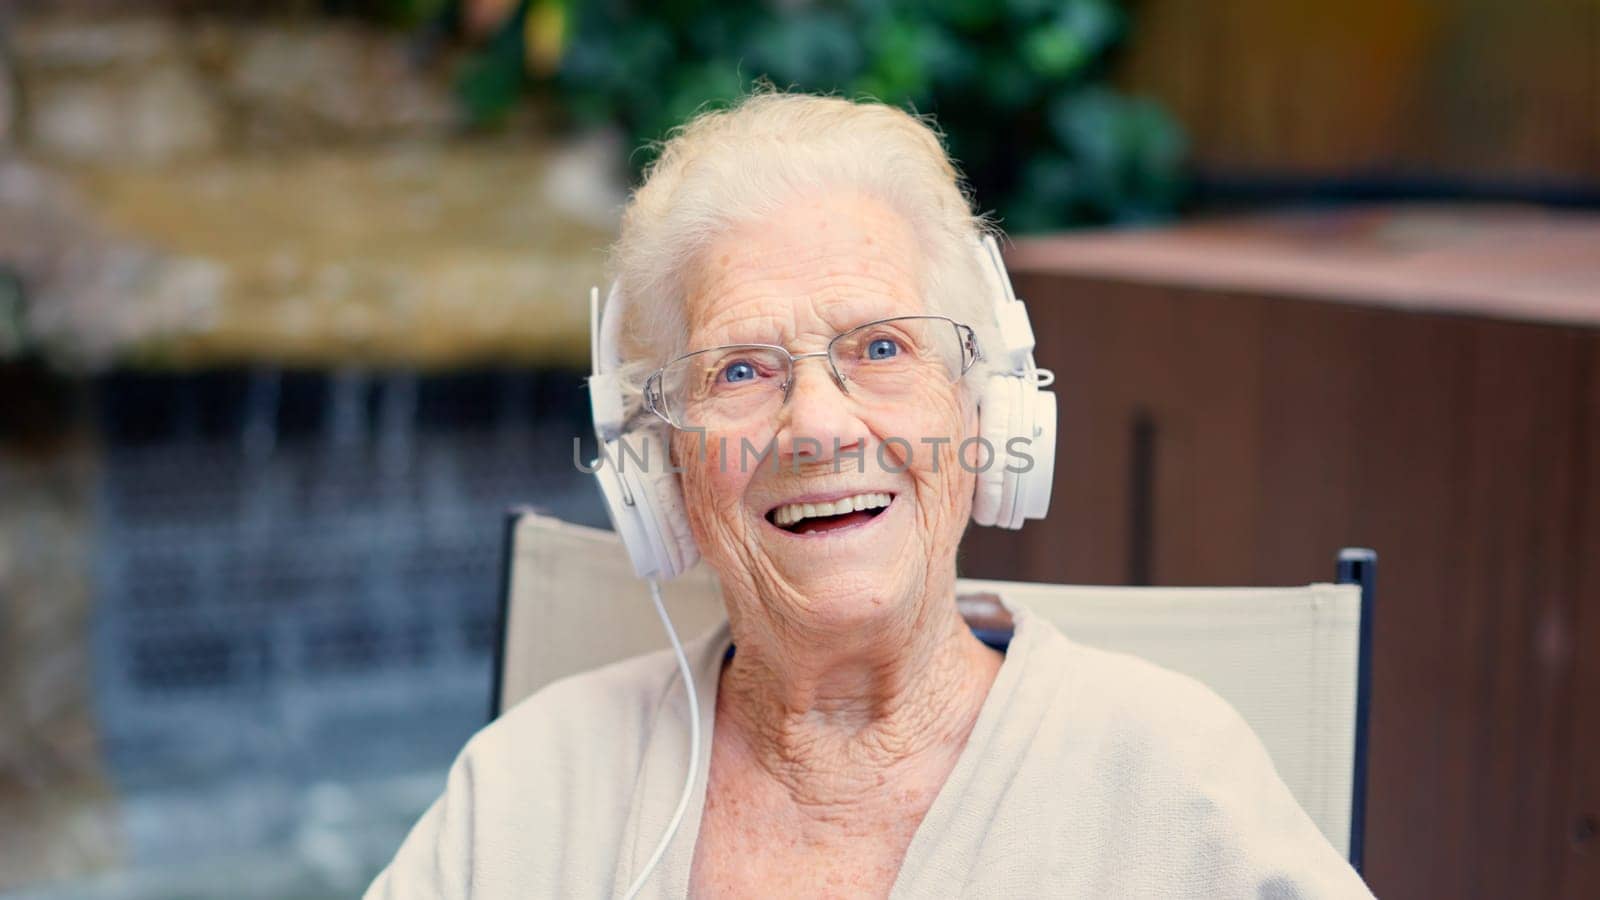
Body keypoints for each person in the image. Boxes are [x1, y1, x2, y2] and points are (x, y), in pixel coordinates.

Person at [367, 91, 1375, 898]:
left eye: (881, 347)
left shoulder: (1171, 779)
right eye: (741, 371)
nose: (817, 426)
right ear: (660, 473)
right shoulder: (525, 790)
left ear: (988, 422)